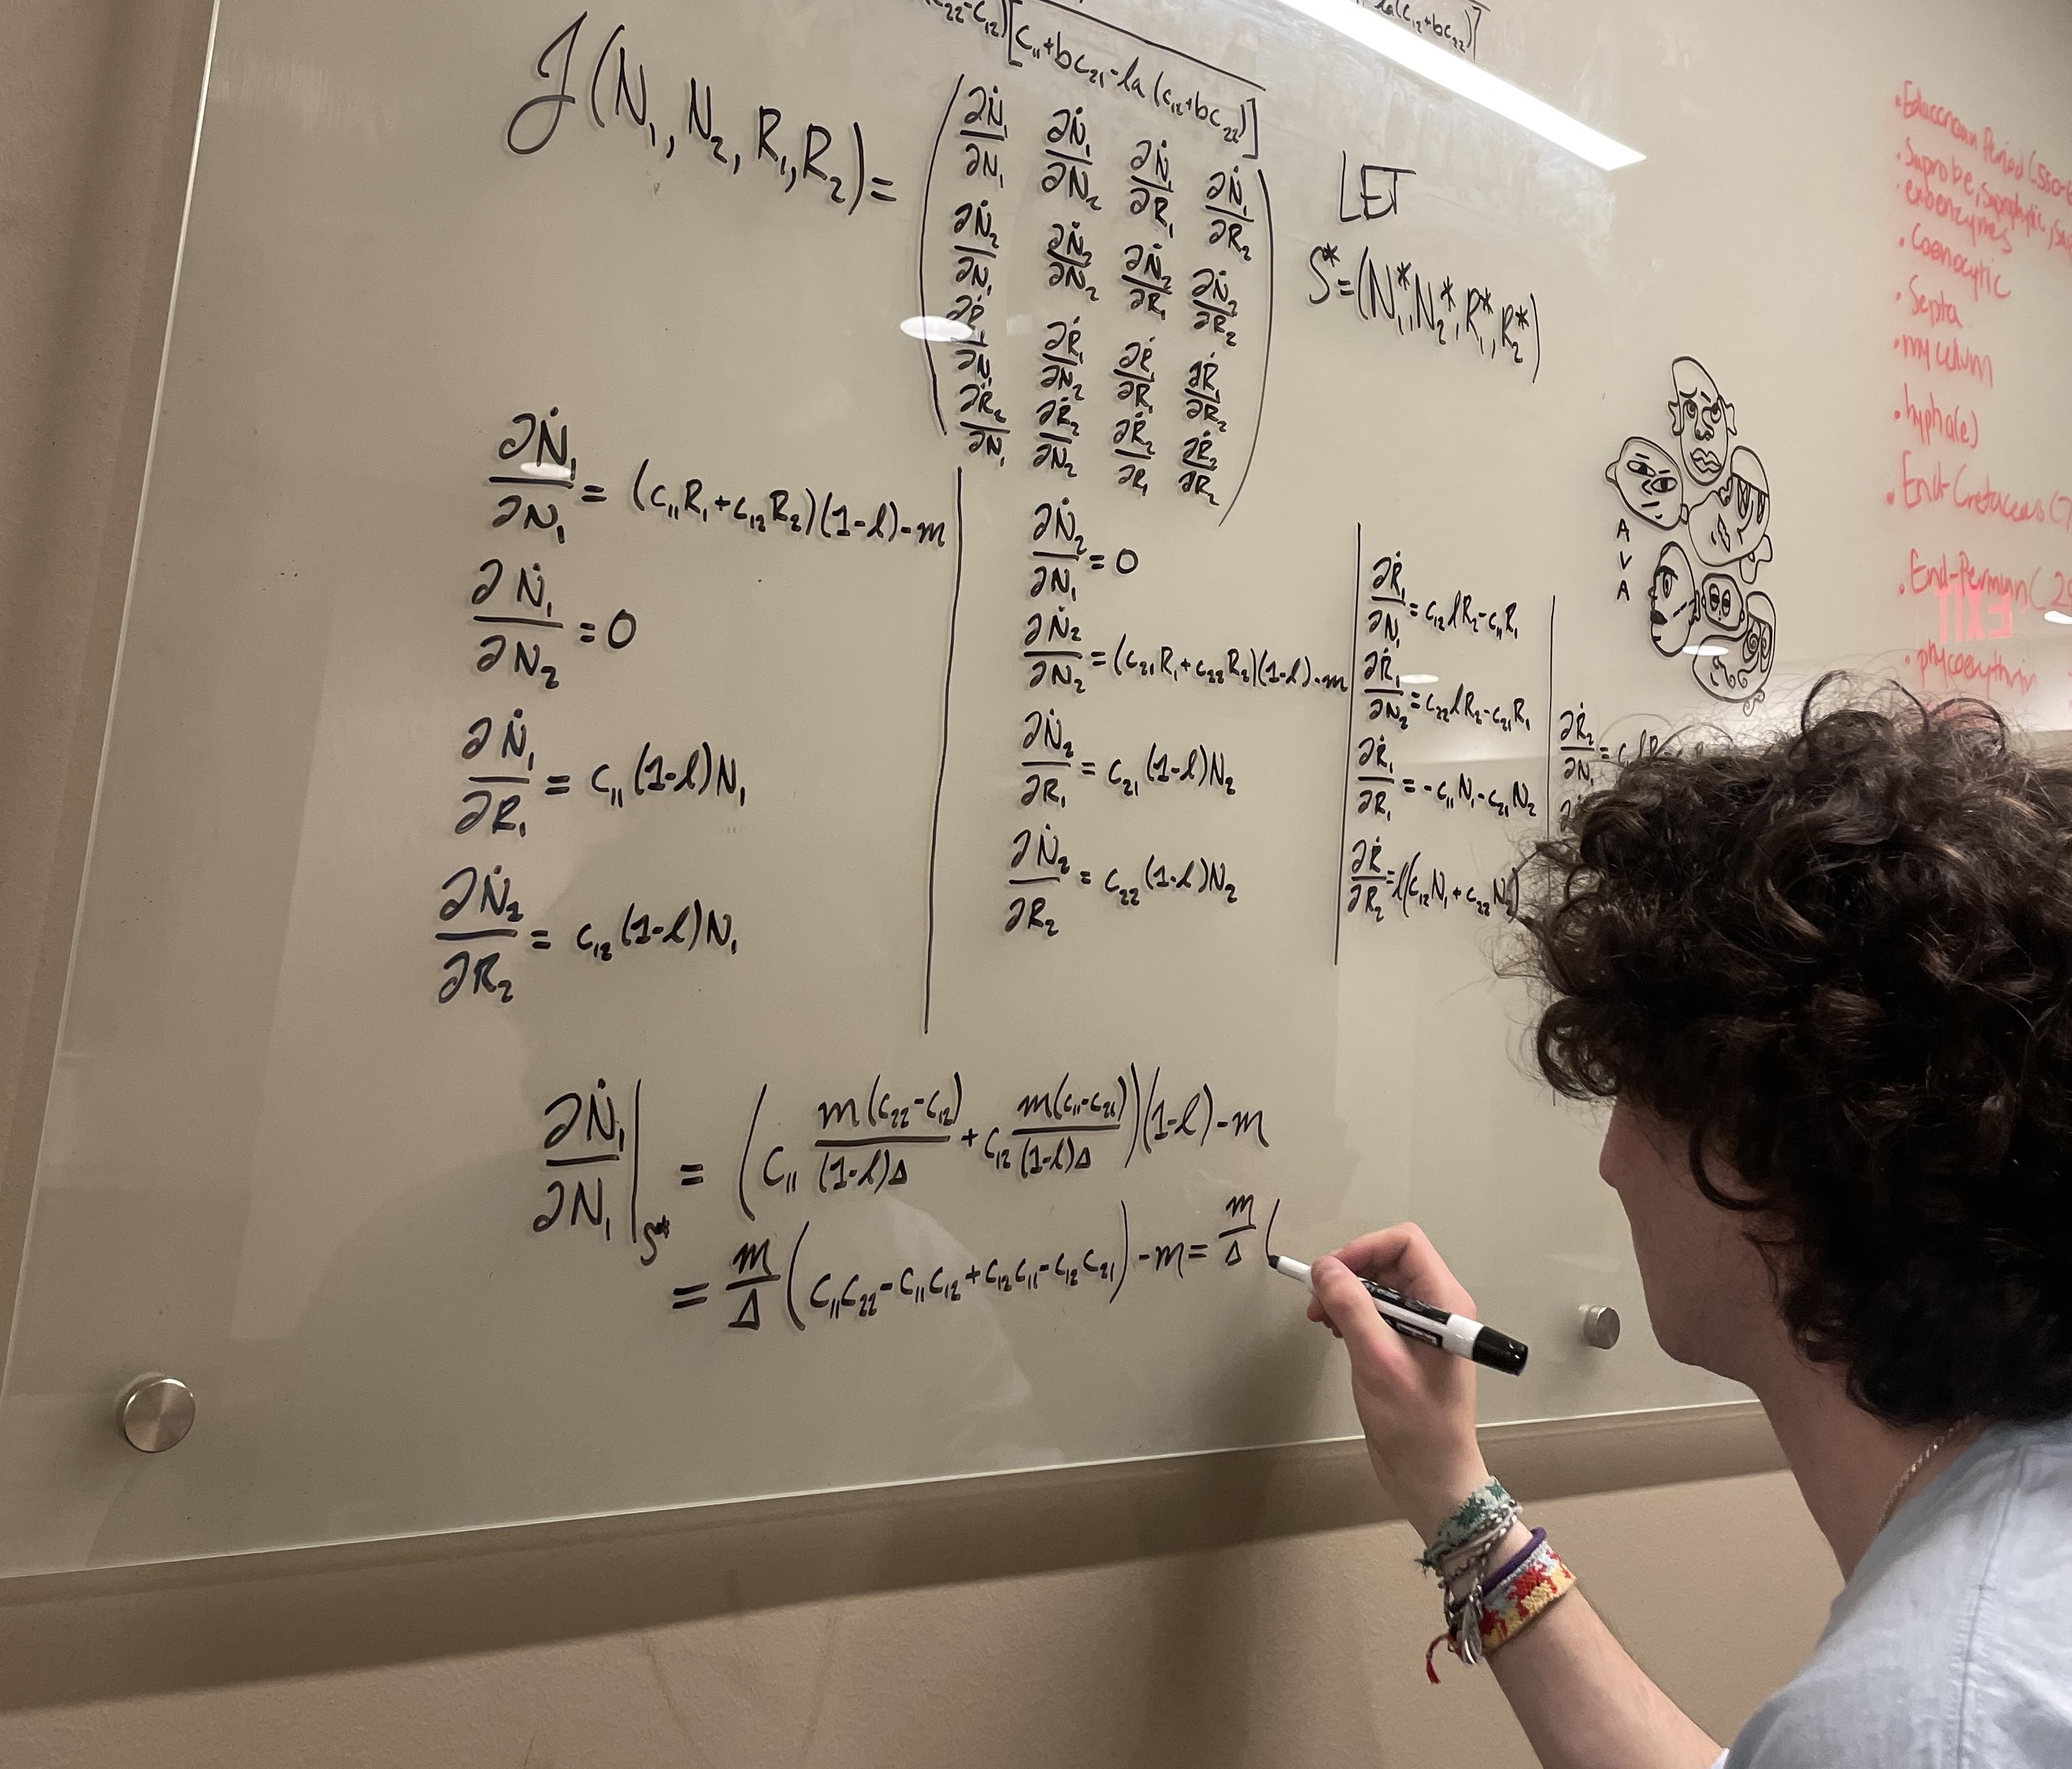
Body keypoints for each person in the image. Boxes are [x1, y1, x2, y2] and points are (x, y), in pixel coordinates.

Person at [1305, 680, 2072, 1768]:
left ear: (1758, 1150)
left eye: (1635, 1092)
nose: (1613, 1162)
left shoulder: (1925, 1717)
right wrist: (1454, 1492)